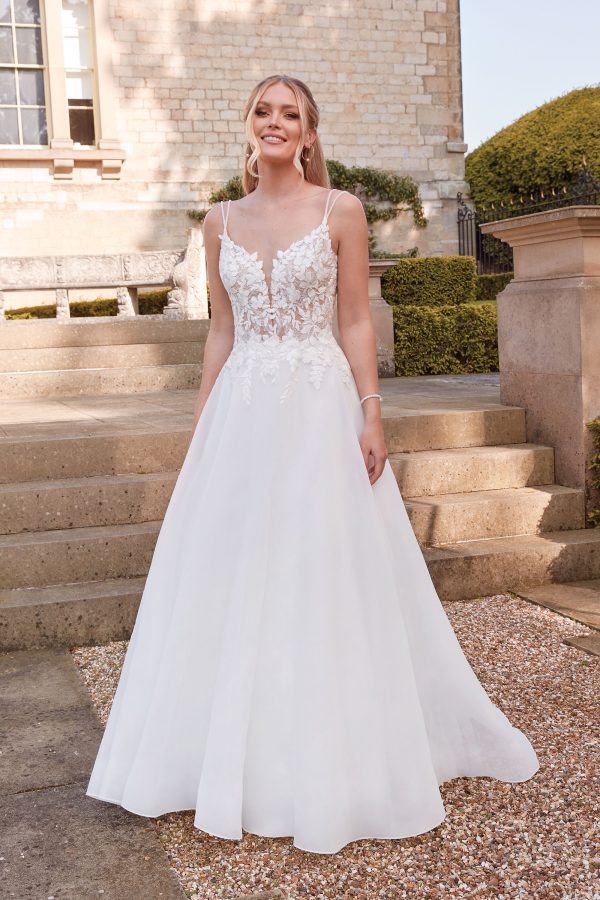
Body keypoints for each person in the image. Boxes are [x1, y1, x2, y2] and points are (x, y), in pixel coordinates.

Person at [86, 74, 539, 855]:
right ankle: (225, 757)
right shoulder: (220, 221)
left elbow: (357, 318)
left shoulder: (342, 211)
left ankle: (332, 757)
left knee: (319, 569)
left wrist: (371, 411)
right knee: (230, 573)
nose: (274, 122)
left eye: (288, 114)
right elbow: (221, 334)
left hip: (319, 407)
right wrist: (202, 427)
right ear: (249, 126)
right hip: (242, 412)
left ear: (309, 134)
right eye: (262, 109)